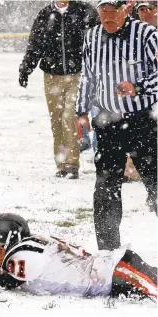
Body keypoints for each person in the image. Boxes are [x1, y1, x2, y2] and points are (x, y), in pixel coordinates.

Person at [76, 0, 157, 250]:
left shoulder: (147, 34)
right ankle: (108, 251)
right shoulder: (92, 37)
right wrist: (81, 111)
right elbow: (87, 75)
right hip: (107, 122)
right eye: (103, 12)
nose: (108, 18)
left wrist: (139, 87)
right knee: (106, 187)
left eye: (113, 12)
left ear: (126, 10)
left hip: (142, 120)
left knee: (155, 182)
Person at [0, 213, 157, 299]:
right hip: (113, 270)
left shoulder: (22, 256)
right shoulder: (33, 242)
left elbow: (6, 283)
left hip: (114, 274)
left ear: (11, 241)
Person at [19, 0, 99, 179]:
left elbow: (99, 40)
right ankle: (61, 164)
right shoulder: (45, 14)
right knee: (56, 120)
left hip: (78, 74)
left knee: (69, 117)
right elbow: (35, 44)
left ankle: (71, 164)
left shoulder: (85, 11)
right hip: (52, 75)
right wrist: (26, 68)